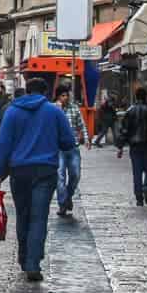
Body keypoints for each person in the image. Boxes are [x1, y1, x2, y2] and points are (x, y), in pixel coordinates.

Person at [0, 77, 76, 282]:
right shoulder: (54, 112)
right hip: (45, 171)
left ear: (27, 91)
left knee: (23, 214)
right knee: (39, 217)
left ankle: (23, 255)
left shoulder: (12, 111)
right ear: (45, 92)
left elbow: (3, 145)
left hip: (19, 172)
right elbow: (69, 142)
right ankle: (33, 263)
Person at [116, 87, 147, 206]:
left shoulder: (130, 111)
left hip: (135, 146)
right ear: (146, 97)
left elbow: (124, 130)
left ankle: (139, 197)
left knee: (137, 172)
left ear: (136, 97)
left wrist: (120, 147)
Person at [54, 85, 89, 218]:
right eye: (63, 95)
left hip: (73, 147)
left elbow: (81, 125)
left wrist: (86, 139)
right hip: (58, 148)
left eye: (67, 95)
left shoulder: (74, 108)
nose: (66, 97)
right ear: (58, 96)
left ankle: (68, 196)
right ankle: (62, 203)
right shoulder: (53, 109)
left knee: (75, 174)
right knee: (60, 176)